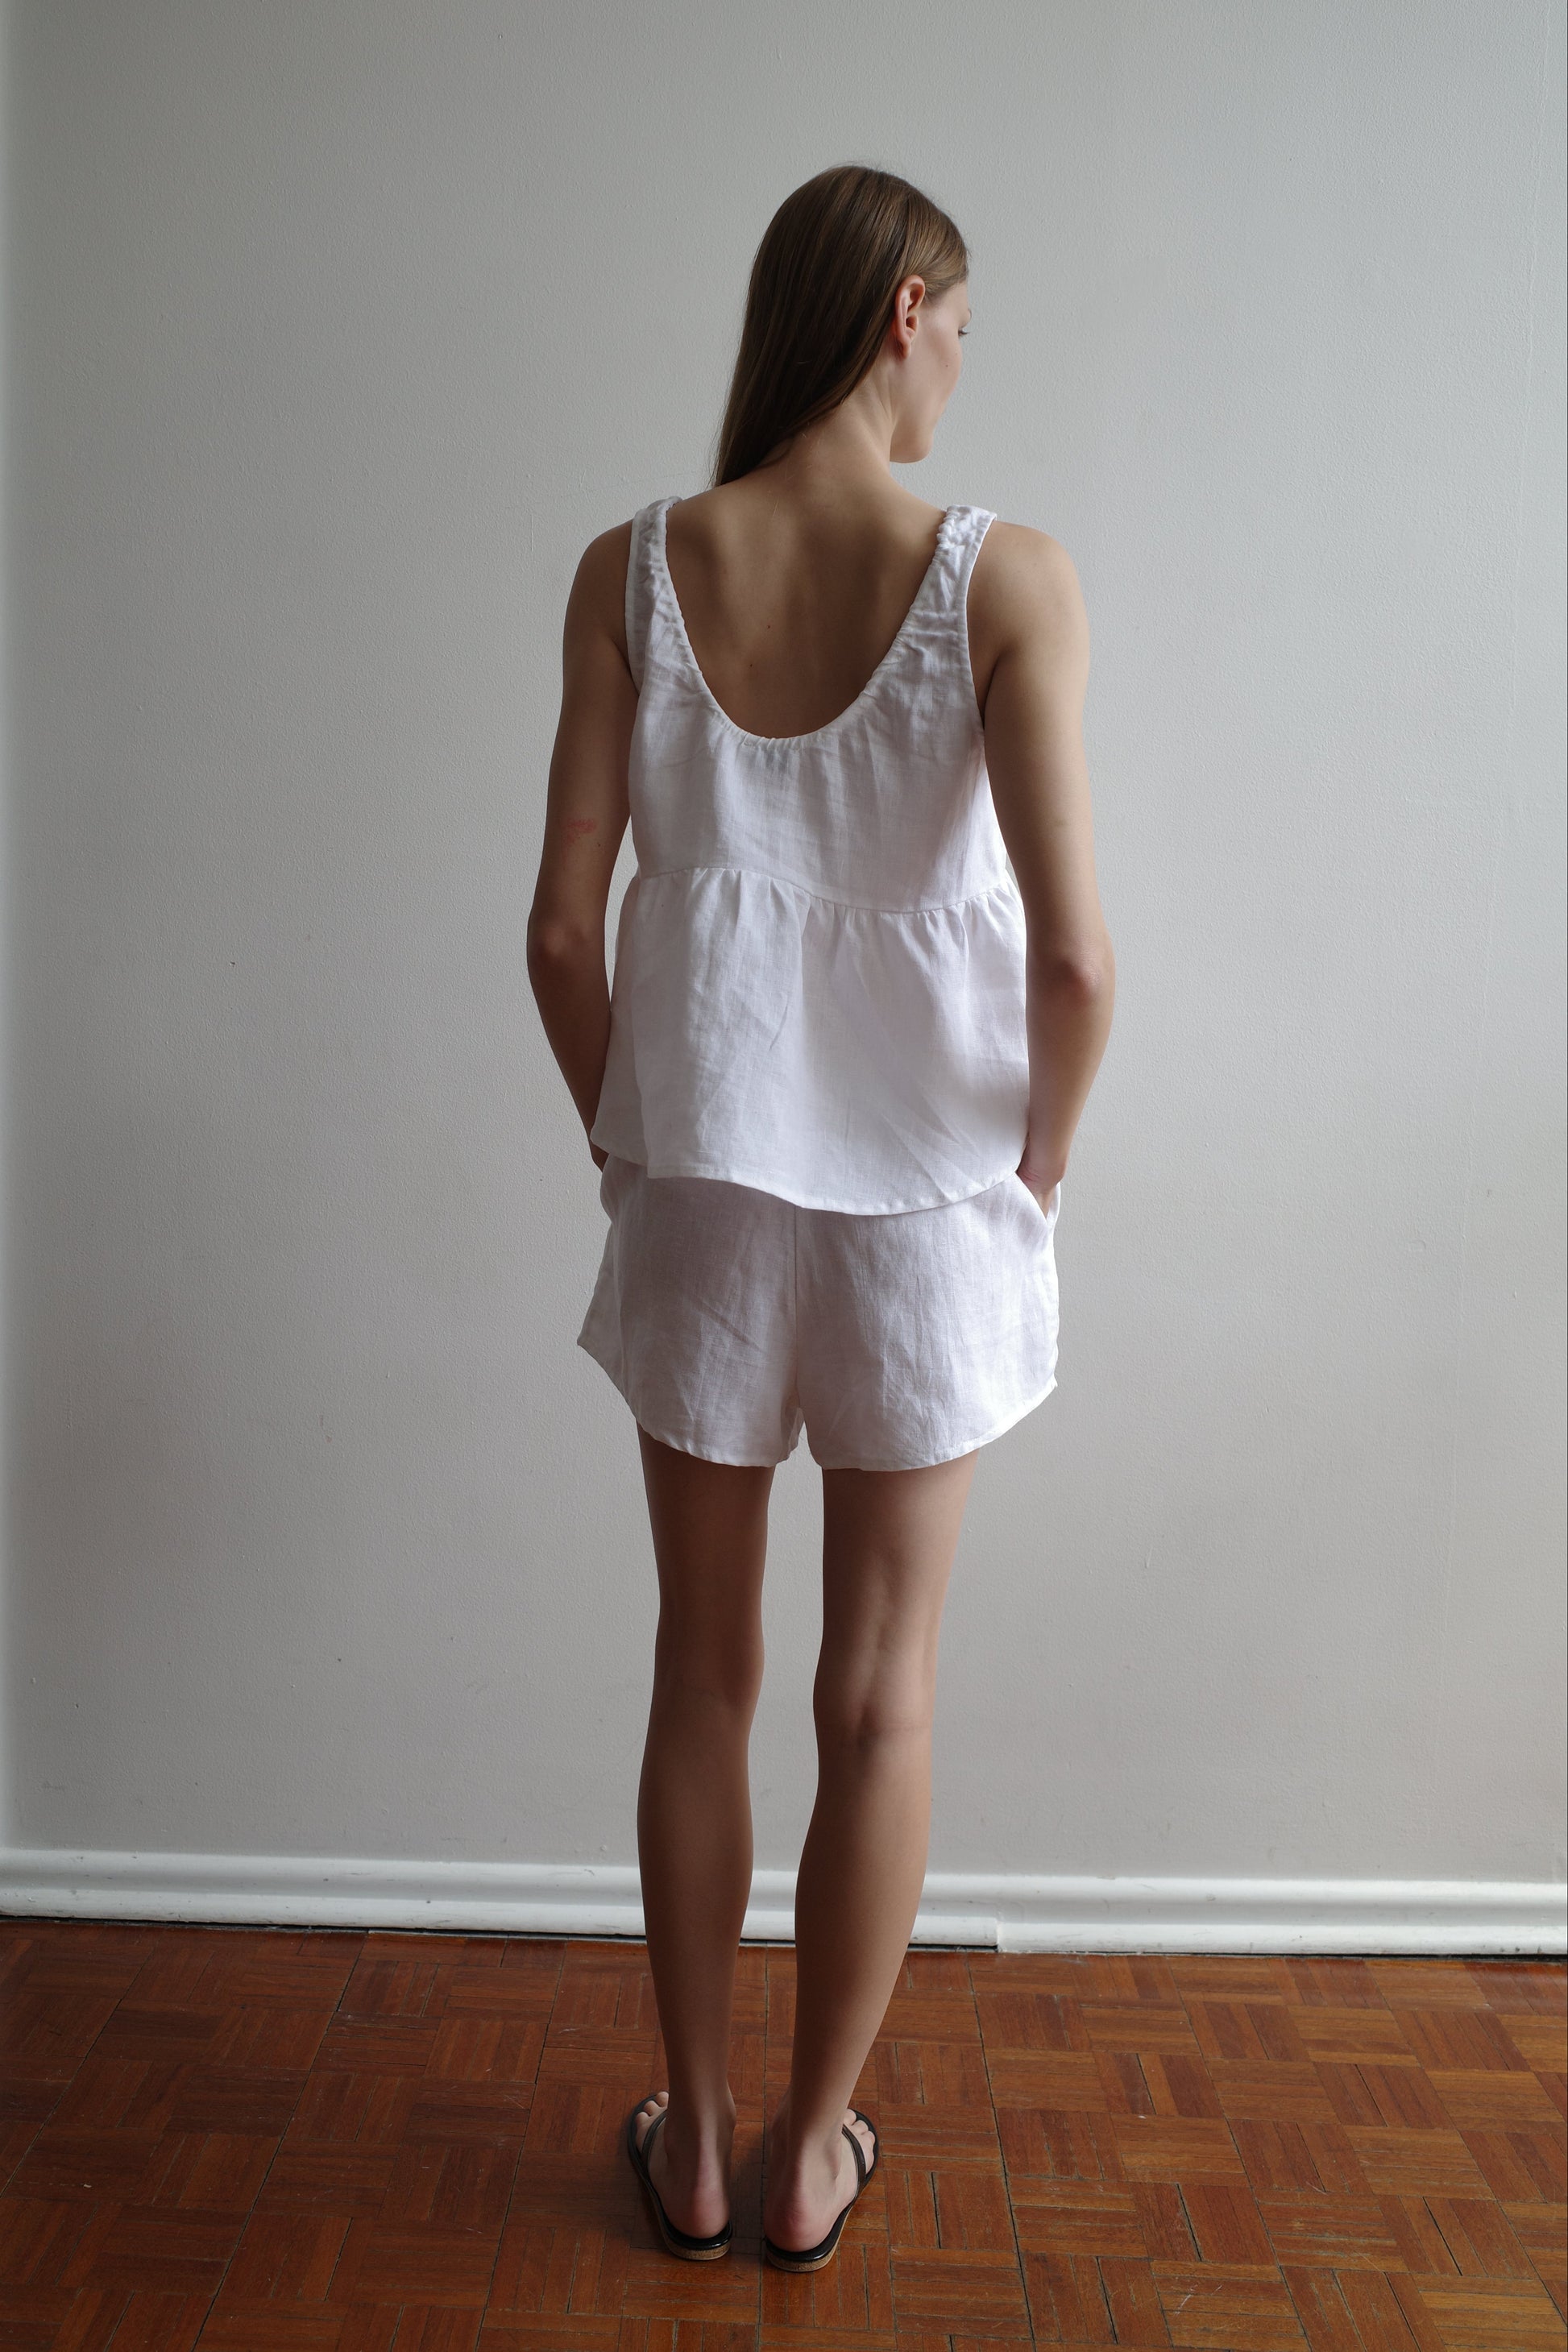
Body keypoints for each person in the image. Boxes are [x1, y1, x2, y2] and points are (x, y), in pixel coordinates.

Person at [527, 162, 1114, 2272]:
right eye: (960, 324)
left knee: (701, 1670)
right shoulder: (1003, 578)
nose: (966, 363)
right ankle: (806, 2153)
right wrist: (1033, 1162)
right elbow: (1073, 965)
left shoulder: (631, 568)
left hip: (700, 1189)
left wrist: (630, 1138)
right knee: (880, 1693)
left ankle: (687, 2140)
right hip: (924, 1205)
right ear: (903, 311)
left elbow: (556, 931)